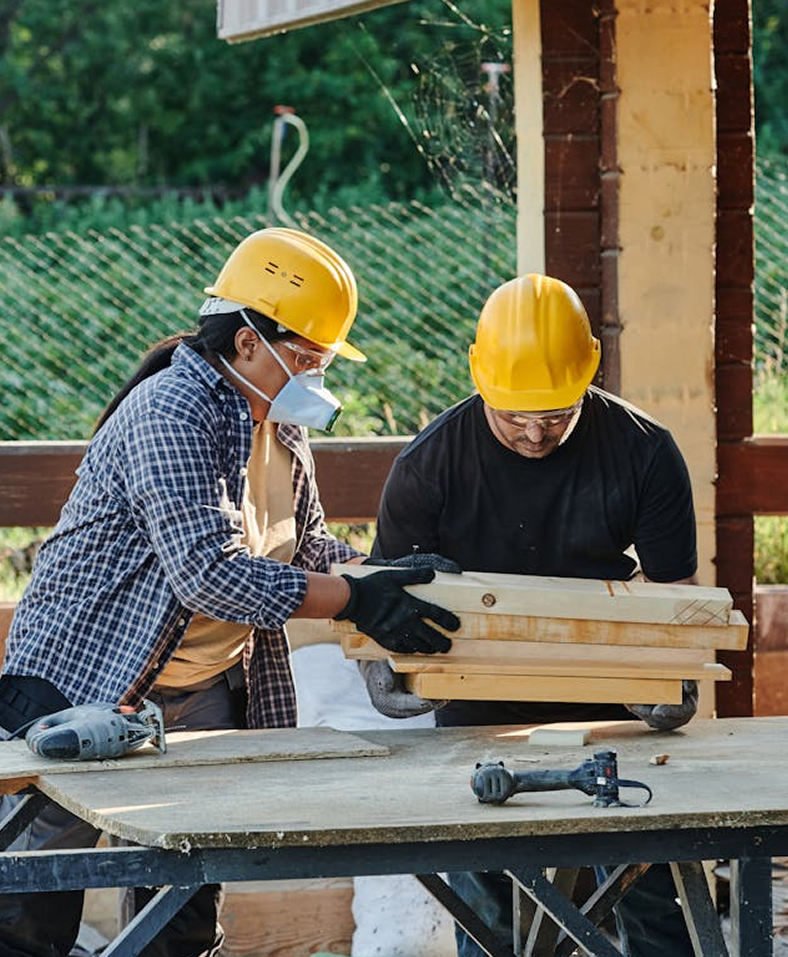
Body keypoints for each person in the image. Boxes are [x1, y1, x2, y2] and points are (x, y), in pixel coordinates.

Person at [0, 226, 459, 957]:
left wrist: (383, 575)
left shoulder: (277, 424)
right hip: (81, 676)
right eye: (306, 359)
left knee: (184, 885)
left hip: (205, 684)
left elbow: (308, 547)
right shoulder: (170, 411)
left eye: (323, 361)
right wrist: (352, 600)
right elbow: (207, 571)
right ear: (248, 341)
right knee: (38, 888)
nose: (315, 377)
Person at [364, 273, 700, 957]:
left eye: (554, 414)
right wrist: (390, 672)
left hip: (613, 701)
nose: (534, 433)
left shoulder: (644, 451)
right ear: (479, 376)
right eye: (513, 414)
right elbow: (378, 599)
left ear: (589, 374)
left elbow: (681, 600)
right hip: (475, 701)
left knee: (648, 893)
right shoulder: (429, 465)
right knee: (489, 914)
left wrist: (672, 677)